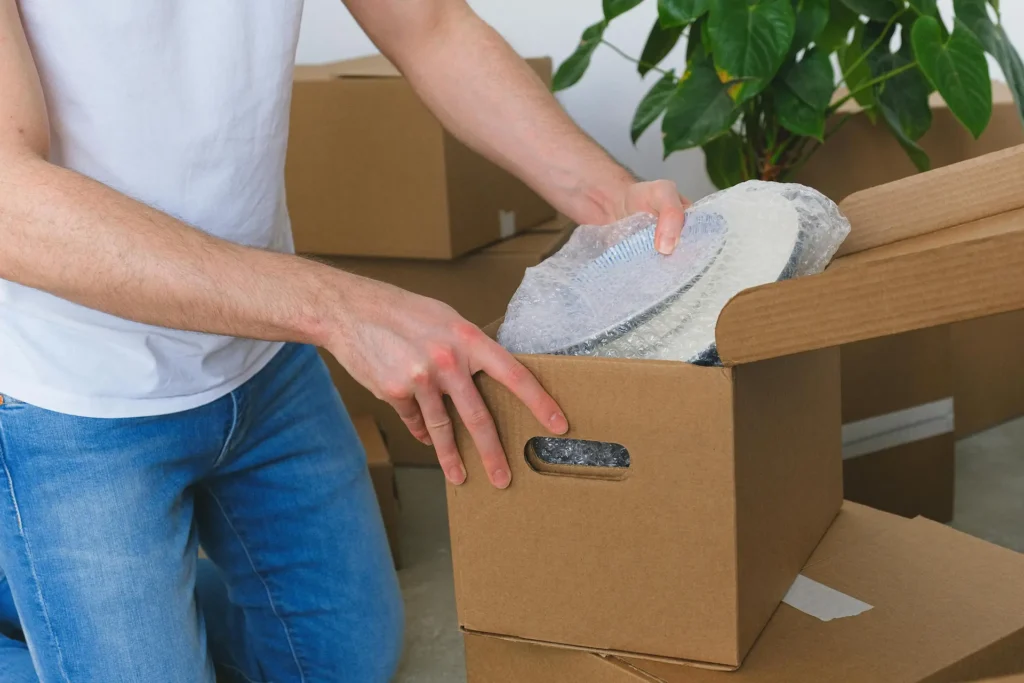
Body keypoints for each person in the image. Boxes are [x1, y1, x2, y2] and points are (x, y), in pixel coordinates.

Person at [0, 1, 690, 681]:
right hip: (75, 397)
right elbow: (10, 196)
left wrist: (609, 199)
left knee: (342, 662)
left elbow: (429, 25)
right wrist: (340, 308)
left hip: (264, 357)